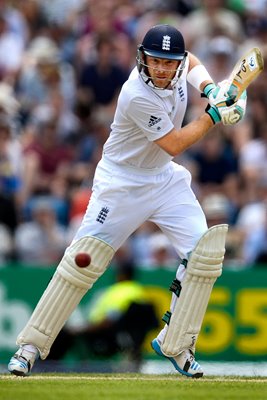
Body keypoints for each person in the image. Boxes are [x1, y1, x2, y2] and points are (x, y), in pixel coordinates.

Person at [8, 24, 247, 378]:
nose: (163, 69)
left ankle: (177, 343)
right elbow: (176, 143)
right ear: (143, 59)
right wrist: (214, 114)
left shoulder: (181, 67)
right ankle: (29, 348)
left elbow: (192, 60)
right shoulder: (135, 93)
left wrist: (211, 88)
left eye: (169, 62)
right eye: (156, 61)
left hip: (164, 179)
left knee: (205, 254)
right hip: (121, 183)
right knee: (82, 262)